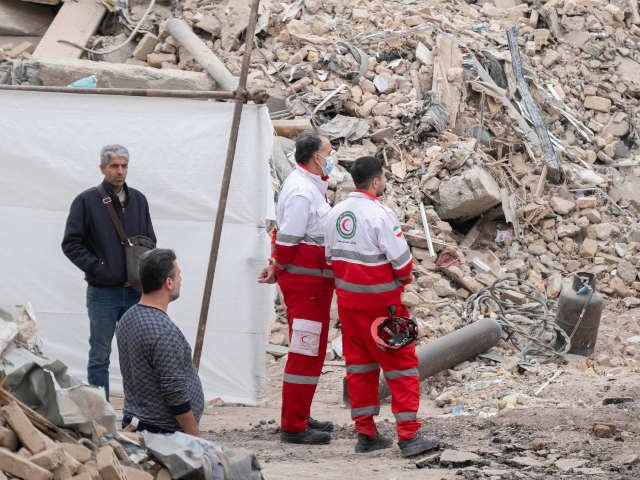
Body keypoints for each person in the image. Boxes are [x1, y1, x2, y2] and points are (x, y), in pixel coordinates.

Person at [324, 156, 440, 457]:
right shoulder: (381, 215)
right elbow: (403, 265)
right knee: (401, 368)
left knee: (360, 369)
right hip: (382, 308)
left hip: (348, 307)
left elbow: (329, 259)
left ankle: (366, 434)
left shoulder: (336, 213)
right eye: (385, 178)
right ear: (376, 181)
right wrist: (404, 276)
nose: (386, 182)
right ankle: (409, 437)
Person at [258, 130, 335, 445]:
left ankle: (300, 413)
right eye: (329, 153)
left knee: (311, 351)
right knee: (304, 352)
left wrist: (278, 265)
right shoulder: (303, 192)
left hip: (313, 284)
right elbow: (289, 238)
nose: (332, 159)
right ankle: (293, 425)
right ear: (317, 158)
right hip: (307, 286)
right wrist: (278, 267)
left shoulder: (309, 186)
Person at [62, 144, 156, 401]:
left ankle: (136, 412)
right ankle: (101, 414)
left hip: (135, 292)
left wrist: (147, 276)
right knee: (100, 355)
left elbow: (149, 240)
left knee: (136, 354)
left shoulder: (139, 199)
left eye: (124, 166)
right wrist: (97, 268)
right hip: (103, 292)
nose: (120, 171)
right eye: (114, 166)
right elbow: (71, 243)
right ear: (102, 168)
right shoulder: (87, 201)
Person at [116, 249, 204, 436]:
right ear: (169, 283)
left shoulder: (128, 318)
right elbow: (175, 393)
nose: (181, 279)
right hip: (161, 433)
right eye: (178, 275)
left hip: (136, 422)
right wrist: (196, 438)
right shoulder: (163, 331)